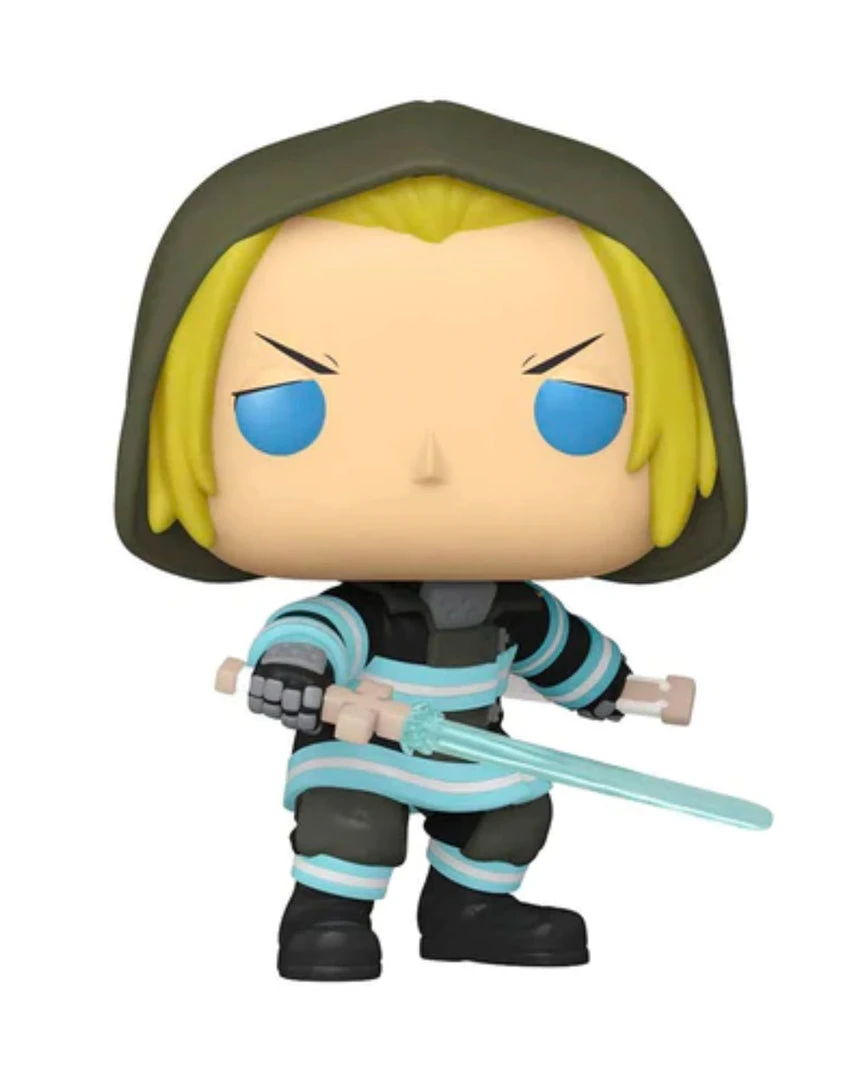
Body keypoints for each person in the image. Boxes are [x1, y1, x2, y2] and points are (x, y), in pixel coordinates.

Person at [116, 101, 746, 980]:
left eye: (576, 411)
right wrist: (294, 673)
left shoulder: (511, 610)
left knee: (512, 815)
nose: (429, 464)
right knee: (350, 821)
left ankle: (470, 907)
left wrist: (616, 691)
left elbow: (558, 650)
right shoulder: (364, 612)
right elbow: (313, 635)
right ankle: (328, 911)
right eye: (286, 410)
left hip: (477, 753)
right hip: (361, 749)